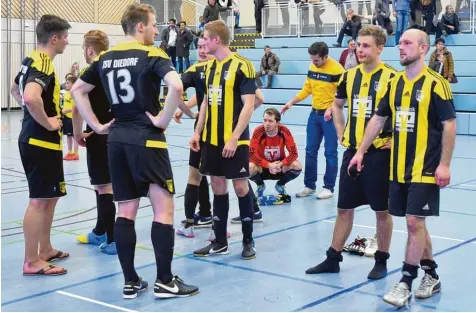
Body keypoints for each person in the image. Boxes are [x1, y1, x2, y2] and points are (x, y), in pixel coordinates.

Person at [71, 3, 199, 299]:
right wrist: (163, 120)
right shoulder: (152, 53)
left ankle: (130, 281)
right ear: (140, 26)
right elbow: (176, 86)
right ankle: (165, 280)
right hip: (147, 139)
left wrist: (97, 125)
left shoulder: (106, 57)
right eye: (154, 25)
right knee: (163, 207)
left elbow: (77, 90)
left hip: (116, 140)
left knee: (126, 209)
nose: (157, 31)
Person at [349, 29, 456, 307]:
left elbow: (449, 125)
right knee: (414, 222)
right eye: (400, 43)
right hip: (398, 168)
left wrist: (444, 164)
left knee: (412, 222)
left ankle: (406, 281)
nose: (401, 47)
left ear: (423, 49)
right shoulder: (394, 83)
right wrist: (360, 151)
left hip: (427, 167)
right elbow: (377, 119)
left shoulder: (436, 83)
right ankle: (431, 273)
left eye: (407, 43)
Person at [305, 26, 395, 280]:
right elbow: (336, 104)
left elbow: (406, 113)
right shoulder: (349, 76)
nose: (360, 49)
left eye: (366, 45)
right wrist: (343, 131)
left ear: (380, 48)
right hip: (352, 152)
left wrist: (396, 140)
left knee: (381, 211)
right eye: (358, 45)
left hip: (379, 154)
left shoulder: (392, 78)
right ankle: (333, 258)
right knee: (344, 208)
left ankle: (381, 261)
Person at [189, 20, 257, 259]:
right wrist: (198, 131)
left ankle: (248, 240)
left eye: (205, 38)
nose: (203, 43)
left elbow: (251, 103)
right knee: (217, 186)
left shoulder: (242, 65)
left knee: (240, 186)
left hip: (234, 139)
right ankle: (219, 241)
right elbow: (205, 103)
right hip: (210, 139)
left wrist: (234, 137)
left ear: (216, 40)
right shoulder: (207, 68)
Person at [10, 14, 71, 276]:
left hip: (40, 140)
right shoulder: (43, 61)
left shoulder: (30, 59)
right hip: (39, 140)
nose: (68, 42)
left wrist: (33, 116)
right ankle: (31, 261)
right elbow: (30, 96)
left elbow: (15, 89)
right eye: (66, 37)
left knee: (50, 197)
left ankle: (44, 249)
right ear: (54, 38)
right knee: (38, 201)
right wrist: (46, 123)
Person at [72, 30, 117, 255]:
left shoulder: (91, 70)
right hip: (117, 133)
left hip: (98, 134)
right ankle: (100, 230)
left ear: (89, 50)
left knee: (104, 186)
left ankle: (112, 238)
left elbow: (77, 104)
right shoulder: (115, 67)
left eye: (83, 48)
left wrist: (77, 132)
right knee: (102, 184)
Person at [281, 42, 344, 199]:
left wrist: (331, 108)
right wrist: (291, 102)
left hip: (330, 117)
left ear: (325, 57)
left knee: (330, 152)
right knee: (310, 150)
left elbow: (343, 95)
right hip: (314, 115)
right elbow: (307, 89)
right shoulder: (312, 67)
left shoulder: (338, 70)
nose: (314, 62)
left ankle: (328, 187)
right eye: (312, 59)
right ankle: (309, 185)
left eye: (316, 60)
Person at [247, 108, 301, 197]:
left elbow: (294, 153)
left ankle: (280, 184)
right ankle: (260, 185)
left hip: (279, 168)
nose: (267, 124)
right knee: (249, 167)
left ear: (277, 123)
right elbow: (251, 155)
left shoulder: (284, 131)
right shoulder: (258, 131)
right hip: (263, 167)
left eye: (270, 121)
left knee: (297, 165)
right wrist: (269, 165)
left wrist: (280, 164)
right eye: (265, 120)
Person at [61, 76, 80, 160]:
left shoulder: (76, 94)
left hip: (74, 118)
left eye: (68, 83)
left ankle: (75, 153)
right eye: (66, 83)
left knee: (75, 136)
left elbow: (78, 107)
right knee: (68, 136)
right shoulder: (65, 94)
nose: (66, 84)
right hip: (67, 118)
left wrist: (68, 110)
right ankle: (69, 152)